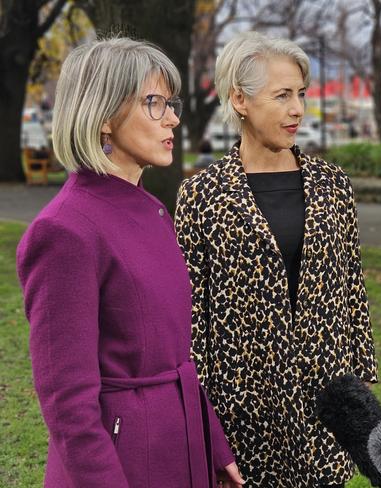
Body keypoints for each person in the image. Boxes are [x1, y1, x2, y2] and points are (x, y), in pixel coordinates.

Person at [16, 38, 244, 488]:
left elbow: (177, 356)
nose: (174, 118)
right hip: (123, 464)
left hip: (181, 447)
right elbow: (67, 405)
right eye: (154, 103)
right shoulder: (64, 231)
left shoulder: (152, 211)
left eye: (170, 103)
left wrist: (213, 445)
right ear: (103, 116)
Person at [175, 31, 378, 487]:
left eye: (301, 94)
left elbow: (352, 286)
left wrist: (361, 376)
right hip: (242, 407)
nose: (298, 110)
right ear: (240, 100)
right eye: (282, 95)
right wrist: (200, 411)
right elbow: (191, 311)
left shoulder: (333, 184)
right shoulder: (202, 194)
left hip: (327, 401)